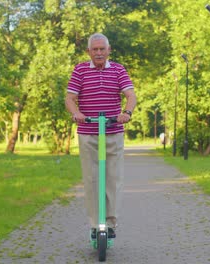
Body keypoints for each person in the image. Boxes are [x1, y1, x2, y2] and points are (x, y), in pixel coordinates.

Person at [65, 33, 137, 239]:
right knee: (92, 179)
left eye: (102, 49)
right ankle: (97, 224)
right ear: (88, 51)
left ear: (109, 50)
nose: (98, 53)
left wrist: (127, 113)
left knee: (113, 179)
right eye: (94, 49)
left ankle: (111, 223)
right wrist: (76, 113)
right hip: (88, 132)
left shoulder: (118, 69)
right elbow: (70, 98)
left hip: (113, 131)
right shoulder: (80, 70)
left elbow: (130, 94)